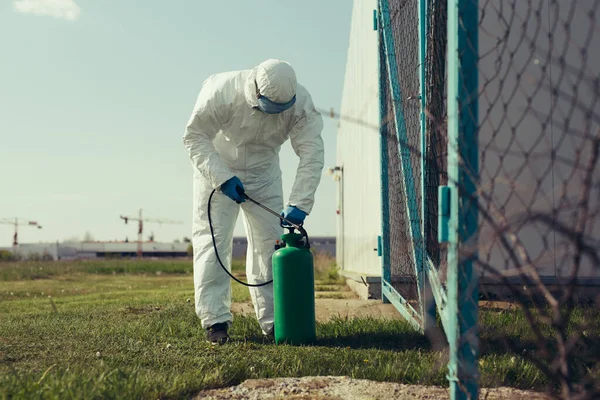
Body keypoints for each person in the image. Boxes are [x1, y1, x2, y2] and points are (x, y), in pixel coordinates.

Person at [183, 59, 324, 345]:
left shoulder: (301, 104)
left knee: (269, 244)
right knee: (213, 242)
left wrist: (300, 202)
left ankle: (275, 321)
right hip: (218, 168)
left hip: (264, 172)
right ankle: (215, 321)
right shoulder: (221, 90)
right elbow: (194, 136)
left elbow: (312, 152)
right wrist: (221, 177)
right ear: (255, 92)